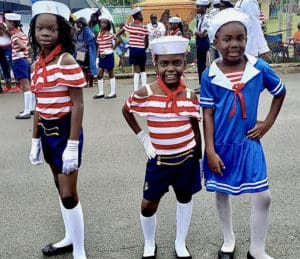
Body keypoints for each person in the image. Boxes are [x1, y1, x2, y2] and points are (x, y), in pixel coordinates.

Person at [201, 8, 286, 259]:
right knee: (222, 191)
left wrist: (267, 123)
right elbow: (207, 114)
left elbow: (279, 93)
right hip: (221, 146)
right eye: (227, 39)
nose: (235, 44)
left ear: (247, 39)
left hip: (249, 142)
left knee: (263, 196)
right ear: (215, 41)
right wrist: (210, 150)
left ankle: (257, 249)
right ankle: (228, 239)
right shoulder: (209, 75)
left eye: (241, 38)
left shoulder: (258, 67)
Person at [122, 35, 202, 259]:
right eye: (164, 63)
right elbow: (127, 110)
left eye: (176, 63)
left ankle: (180, 243)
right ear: (155, 63)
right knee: (148, 205)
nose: (170, 69)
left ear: (184, 64)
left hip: (186, 158)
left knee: (184, 198)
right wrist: (143, 138)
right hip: (159, 161)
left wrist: (200, 156)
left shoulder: (189, 96)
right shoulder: (145, 93)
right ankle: (149, 243)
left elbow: (195, 126)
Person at [29, 1, 87, 258]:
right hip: (46, 132)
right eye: (40, 28)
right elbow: (39, 105)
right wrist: (34, 140)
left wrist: (73, 145)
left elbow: (77, 104)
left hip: (66, 132)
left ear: (61, 31)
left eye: (51, 29)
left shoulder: (66, 60)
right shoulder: (37, 65)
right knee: (58, 186)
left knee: (68, 194)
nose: (45, 33)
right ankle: (68, 237)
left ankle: (80, 250)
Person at [5, 12, 35, 119]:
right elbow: (28, 46)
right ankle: (31, 108)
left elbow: (23, 46)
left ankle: (26, 112)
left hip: (19, 61)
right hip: (26, 61)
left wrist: (20, 51)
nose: (6, 24)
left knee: (25, 86)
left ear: (12, 24)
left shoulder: (14, 36)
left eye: (7, 22)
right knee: (30, 85)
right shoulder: (23, 34)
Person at [115, 7, 149, 92]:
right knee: (143, 68)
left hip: (133, 50)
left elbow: (117, 35)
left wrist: (123, 43)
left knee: (136, 70)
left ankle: (136, 90)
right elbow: (146, 40)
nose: (142, 16)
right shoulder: (144, 27)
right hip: (141, 50)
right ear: (138, 16)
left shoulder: (129, 26)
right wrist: (144, 48)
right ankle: (144, 89)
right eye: (141, 14)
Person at [93, 14, 116, 99]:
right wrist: (97, 57)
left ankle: (113, 92)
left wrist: (111, 49)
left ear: (108, 24)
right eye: (101, 23)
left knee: (110, 73)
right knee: (99, 74)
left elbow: (118, 40)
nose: (103, 24)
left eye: (105, 23)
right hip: (101, 56)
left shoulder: (109, 33)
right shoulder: (99, 33)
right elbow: (99, 46)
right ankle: (101, 92)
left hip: (108, 56)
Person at [74, 17, 97, 88]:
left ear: (81, 24)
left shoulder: (86, 30)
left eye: (77, 23)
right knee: (82, 67)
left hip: (85, 52)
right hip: (80, 51)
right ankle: (85, 83)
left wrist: (86, 45)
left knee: (87, 68)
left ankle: (89, 83)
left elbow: (92, 37)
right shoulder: (81, 30)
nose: (76, 25)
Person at [194, 0, 211, 93]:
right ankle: (201, 85)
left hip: (204, 42)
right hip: (199, 42)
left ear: (204, 8)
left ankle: (205, 86)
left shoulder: (207, 18)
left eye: (199, 7)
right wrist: (197, 33)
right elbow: (196, 31)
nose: (197, 8)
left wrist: (198, 33)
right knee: (200, 65)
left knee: (205, 65)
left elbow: (201, 34)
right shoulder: (199, 18)